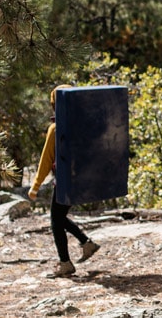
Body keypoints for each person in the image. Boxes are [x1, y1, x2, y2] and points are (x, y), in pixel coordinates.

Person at [28, 84, 101, 278]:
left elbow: (45, 160)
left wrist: (35, 186)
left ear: (55, 105)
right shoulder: (87, 125)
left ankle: (65, 263)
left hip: (65, 181)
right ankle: (87, 244)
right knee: (58, 217)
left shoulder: (56, 128)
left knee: (55, 219)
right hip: (82, 179)